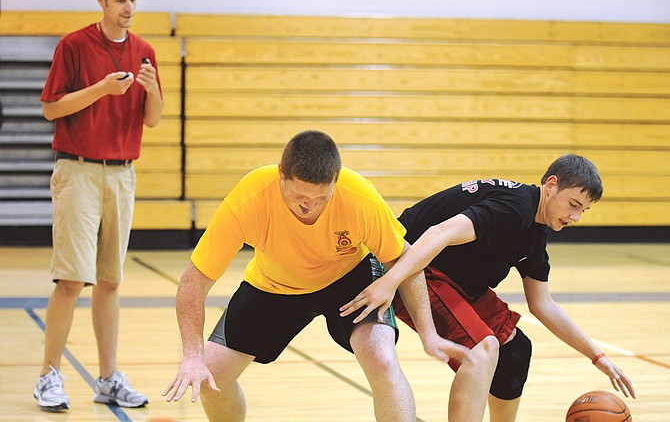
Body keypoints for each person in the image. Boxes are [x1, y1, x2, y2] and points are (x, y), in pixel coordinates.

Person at [162, 130, 472, 421]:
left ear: (336, 180)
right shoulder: (249, 198)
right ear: (281, 173)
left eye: (321, 198)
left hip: (350, 279)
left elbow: (404, 260)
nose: (309, 207)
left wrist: (428, 333)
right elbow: (194, 281)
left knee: (383, 360)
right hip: (274, 285)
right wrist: (192, 355)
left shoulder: (359, 196)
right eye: (300, 197)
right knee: (211, 377)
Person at [341, 154, 636, 422]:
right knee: (482, 348)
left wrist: (597, 357)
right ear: (551, 185)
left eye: (583, 211)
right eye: (573, 205)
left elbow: (542, 304)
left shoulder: (535, 231)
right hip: (413, 267)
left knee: (514, 349)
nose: (575, 217)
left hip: (453, 281)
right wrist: (389, 282)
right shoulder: (515, 206)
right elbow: (439, 232)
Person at [34, 0, 163, 411]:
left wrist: (153, 90)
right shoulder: (74, 46)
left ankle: (108, 379)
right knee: (71, 279)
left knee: (110, 281)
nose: (129, 8)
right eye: (121, 0)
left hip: (123, 175)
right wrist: (102, 90)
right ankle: (48, 375)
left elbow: (154, 120)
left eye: (133, 0)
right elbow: (51, 108)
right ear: (101, 1)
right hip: (79, 171)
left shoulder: (144, 49)